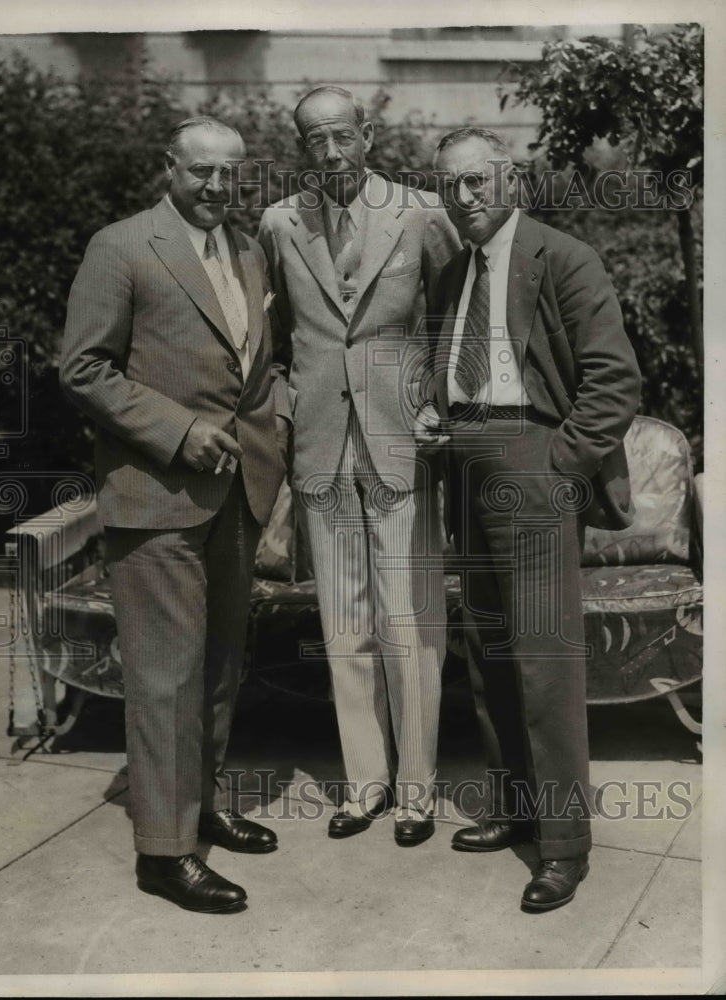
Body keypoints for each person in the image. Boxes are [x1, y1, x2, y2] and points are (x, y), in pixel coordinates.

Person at [60, 116, 290, 913]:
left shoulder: (247, 250)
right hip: (156, 497)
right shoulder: (121, 246)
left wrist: (277, 434)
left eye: (231, 173)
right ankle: (163, 852)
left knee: (220, 666)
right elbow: (83, 368)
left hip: (238, 494)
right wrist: (179, 430)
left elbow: (257, 368)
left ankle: (200, 805)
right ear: (170, 167)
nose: (218, 186)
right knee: (165, 677)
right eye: (201, 171)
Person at [416, 126, 641, 910]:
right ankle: (514, 808)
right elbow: (456, 368)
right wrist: (437, 413)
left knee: (546, 659)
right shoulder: (454, 272)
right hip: (466, 464)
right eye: (449, 185)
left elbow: (614, 382)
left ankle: (564, 846)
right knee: (489, 648)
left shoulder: (564, 257)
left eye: (476, 181)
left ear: (510, 179)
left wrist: (557, 466)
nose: (463, 198)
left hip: (534, 465)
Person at [258, 86, 460, 845]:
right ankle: (365, 783)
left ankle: (417, 791)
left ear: (368, 135)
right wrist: (288, 412)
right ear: (301, 147)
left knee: (408, 621)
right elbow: (278, 337)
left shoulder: (420, 212)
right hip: (322, 447)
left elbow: (452, 321)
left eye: (343, 135)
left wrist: (438, 402)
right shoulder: (280, 223)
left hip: (400, 443)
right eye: (316, 139)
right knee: (344, 625)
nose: (332, 152)